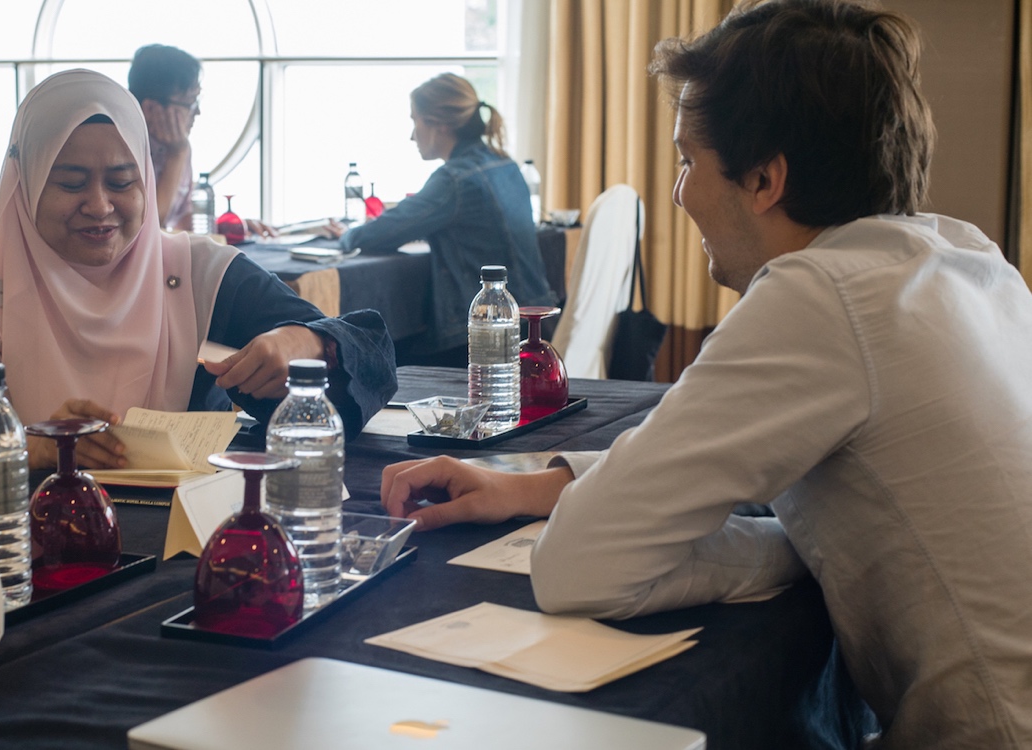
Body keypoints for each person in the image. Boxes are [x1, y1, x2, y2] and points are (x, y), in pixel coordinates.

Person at [379, 2, 1032, 747]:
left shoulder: (819, 296)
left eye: (688, 161)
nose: (679, 193)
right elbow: (728, 465)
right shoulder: (965, 255)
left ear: (765, 178)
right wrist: (530, 487)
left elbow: (577, 567)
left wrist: (797, 555)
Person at [0, 69, 396, 508]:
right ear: (25, 184)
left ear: (147, 181)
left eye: (122, 181)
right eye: (71, 183)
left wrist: (306, 341)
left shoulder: (197, 274)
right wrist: (32, 446)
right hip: (32, 550)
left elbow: (370, 349)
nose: (100, 205)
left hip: (189, 543)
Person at [326, 73, 557, 365]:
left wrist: (347, 234)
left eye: (416, 121)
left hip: (484, 339)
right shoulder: (505, 165)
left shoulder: (454, 180)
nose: (412, 135)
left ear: (441, 124)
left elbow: (382, 233)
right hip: (532, 326)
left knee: (374, 352)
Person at [126, 44, 275, 238]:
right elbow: (148, 227)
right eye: (189, 102)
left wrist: (231, 226)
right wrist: (176, 155)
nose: (197, 111)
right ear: (150, 109)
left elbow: (183, 220)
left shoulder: (179, 146)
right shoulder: (124, 151)